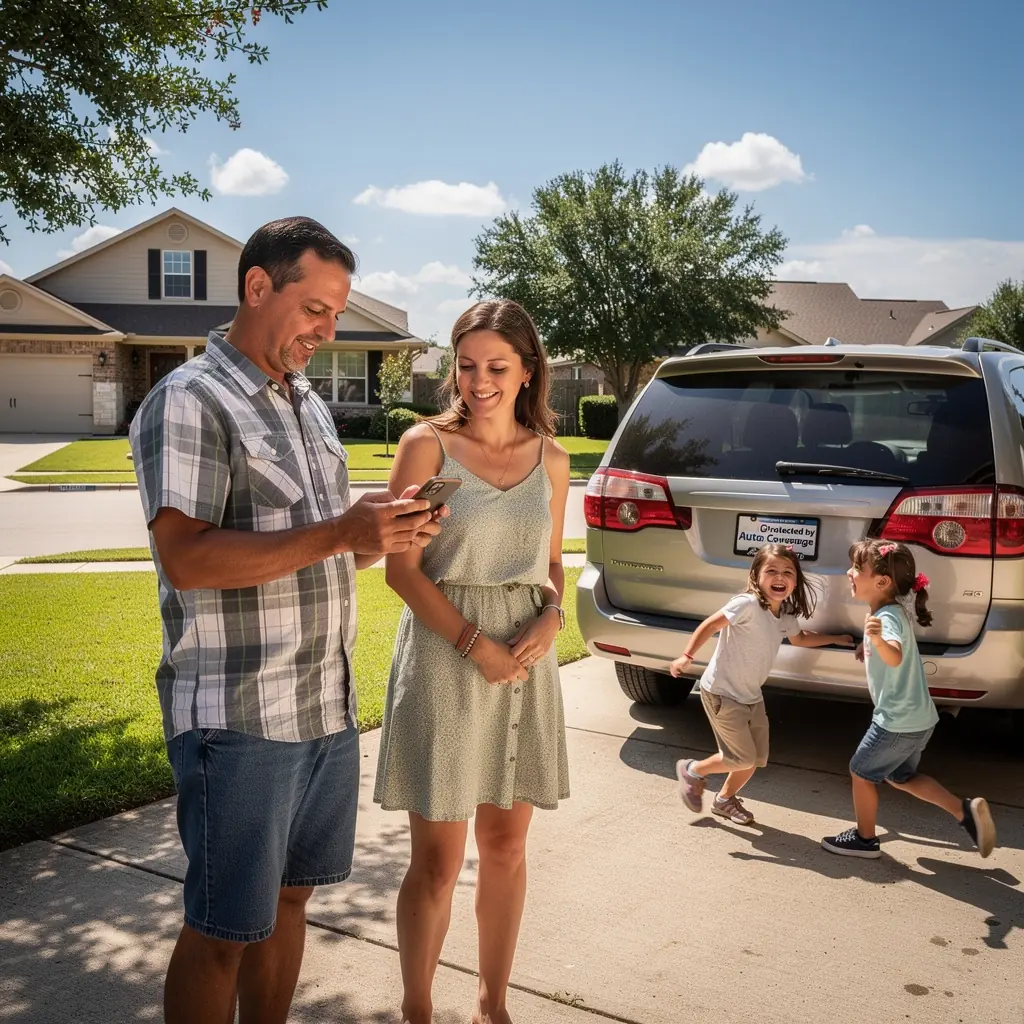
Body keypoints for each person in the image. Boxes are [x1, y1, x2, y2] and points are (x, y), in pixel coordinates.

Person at [129, 217, 443, 1024]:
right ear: (258, 287)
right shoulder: (192, 399)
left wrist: (375, 535)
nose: (327, 331)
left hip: (323, 709)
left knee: (293, 903)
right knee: (222, 931)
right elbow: (187, 559)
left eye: (337, 314)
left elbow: (316, 549)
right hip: (237, 718)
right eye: (316, 309)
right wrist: (342, 531)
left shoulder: (306, 404)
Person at [374, 299, 571, 1024]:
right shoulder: (424, 445)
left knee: (507, 846)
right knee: (436, 861)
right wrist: (474, 646)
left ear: (527, 371)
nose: (478, 381)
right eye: (466, 365)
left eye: (496, 366)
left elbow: (554, 565)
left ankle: (494, 1004)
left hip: (525, 664)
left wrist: (553, 615)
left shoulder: (554, 457)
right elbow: (401, 571)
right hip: (445, 661)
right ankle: (417, 1009)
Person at [822, 540, 997, 859]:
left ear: (881, 581)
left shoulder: (885, 620)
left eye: (857, 568)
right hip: (919, 720)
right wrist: (869, 646)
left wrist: (875, 640)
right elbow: (889, 647)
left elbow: (895, 654)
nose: (849, 572)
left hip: (896, 722)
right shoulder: (887, 612)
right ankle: (965, 813)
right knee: (901, 776)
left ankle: (864, 839)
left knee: (861, 772)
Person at [672, 543, 854, 824]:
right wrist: (686, 656)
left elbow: (800, 638)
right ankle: (693, 770)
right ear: (756, 575)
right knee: (740, 758)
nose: (779, 577)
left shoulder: (786, 613)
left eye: (787, 572)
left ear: (796, 579)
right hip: (723, 692)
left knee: (755, 758)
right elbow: (710, 625)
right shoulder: (745, 604)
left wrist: (834, 638)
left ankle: (723, 801)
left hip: (751, 695)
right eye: (771, 571)